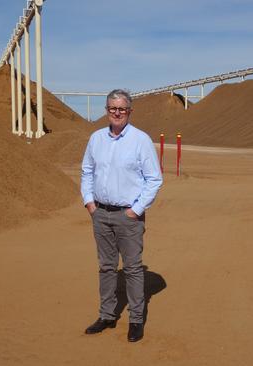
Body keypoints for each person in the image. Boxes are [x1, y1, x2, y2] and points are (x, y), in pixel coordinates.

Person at [81, 89, 163, 342]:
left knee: (132, 269)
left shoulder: (140, 140)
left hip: (128, 217)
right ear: (106, 110)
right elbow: (86, 171)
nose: (117, 112)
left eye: (122, 109)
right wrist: (90, 204)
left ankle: (136, 319)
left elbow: (154, 179)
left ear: (129, 111)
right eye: (112, 108)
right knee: (106, 267)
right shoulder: (96, 138)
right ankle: (107, 315)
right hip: (101, 213)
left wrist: (135, 210)